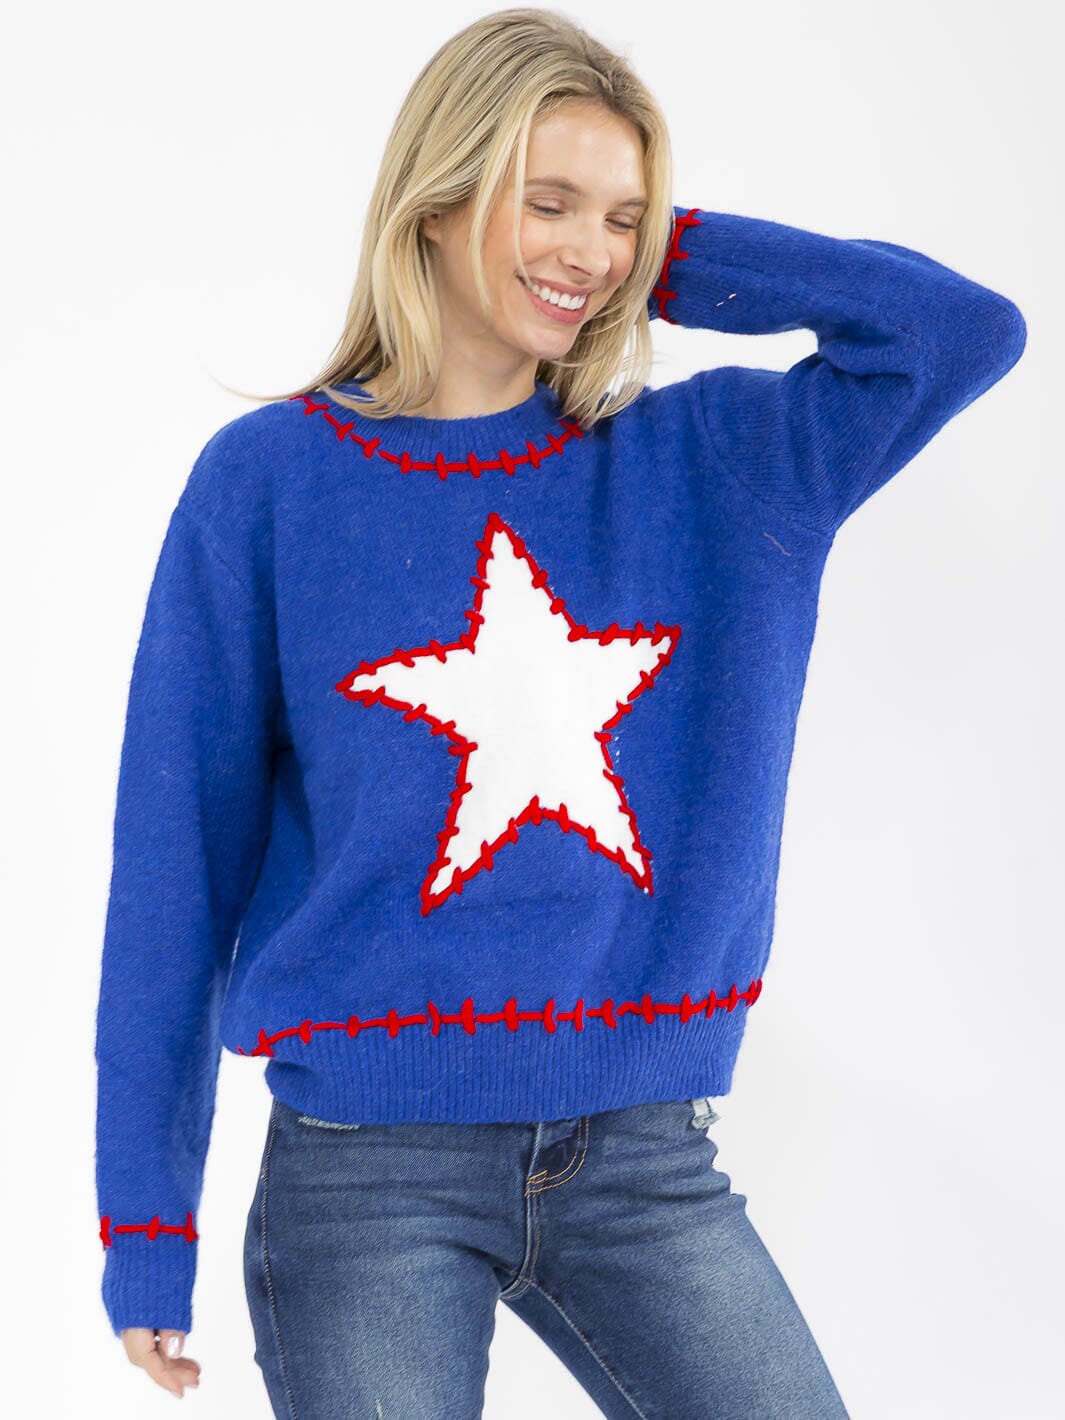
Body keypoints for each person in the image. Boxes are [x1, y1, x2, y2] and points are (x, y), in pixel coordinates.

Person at [94, 6, 1026, 1414]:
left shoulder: (715, 463)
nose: (587, 250)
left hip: (644, 1160)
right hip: (364, 1168)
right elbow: (176, 862)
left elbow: (959, 332)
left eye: (622, 217)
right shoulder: (269, 483)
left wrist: (667, 257)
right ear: (435, 197)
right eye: (547, 202)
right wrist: (144, 1225)